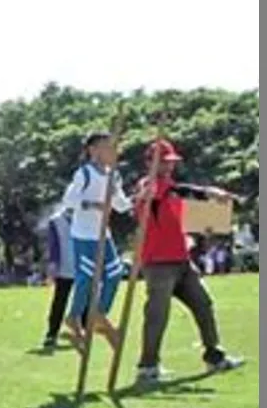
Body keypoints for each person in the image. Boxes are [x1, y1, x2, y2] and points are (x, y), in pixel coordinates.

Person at [133, 139, 245, 383]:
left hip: (181, 260)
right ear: (151, 163)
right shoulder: (148, 186)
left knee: (203, 304)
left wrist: (212, 217)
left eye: (171, 162)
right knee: (157, 315)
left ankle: (214, 356)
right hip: (158, 262)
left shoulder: (170, 187)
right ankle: (147, 367)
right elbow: (176, 192)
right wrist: (208, 191)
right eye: (164, 162)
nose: (169, 166)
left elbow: (183, 216)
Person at [58, 131, 135, 354]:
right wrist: (93, 205)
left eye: (113, 147)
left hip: (104, 235)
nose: (112, 151)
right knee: (88, 277)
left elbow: (120, 205)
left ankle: (99, 315)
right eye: (106, 147)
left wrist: (138, 198)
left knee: (114, 273)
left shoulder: (114, 176)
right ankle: (73, 317)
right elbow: (69, 200)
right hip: (84, 234)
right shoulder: (85, 174)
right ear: (93, 150)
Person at [41, 207, 81, 349]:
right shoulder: (56, 220)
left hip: (84, 267)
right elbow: (53, 246)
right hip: (65, 268)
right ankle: (52, 334)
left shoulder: (84, 217)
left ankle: (80, 331)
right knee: (60, 301)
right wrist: (52, 268)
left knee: (84, 300)